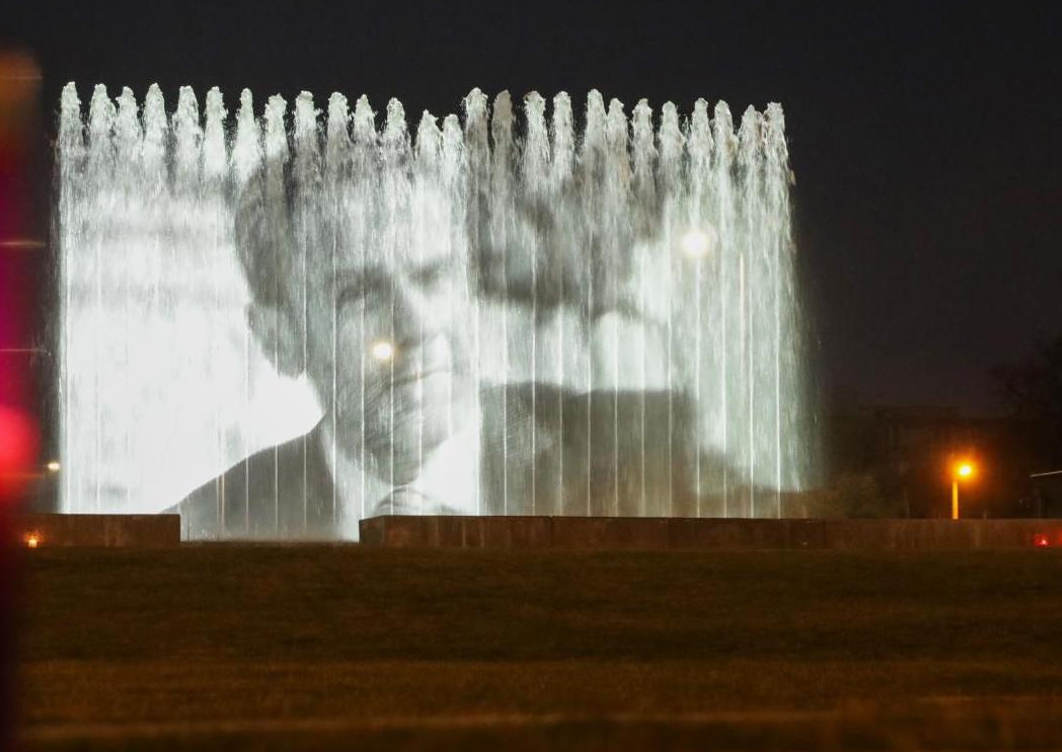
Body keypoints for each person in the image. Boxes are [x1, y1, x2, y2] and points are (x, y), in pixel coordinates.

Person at [172, 169, 734, 539]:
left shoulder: (645, 448)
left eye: (435, 276)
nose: (419, 326)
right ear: (279, 338)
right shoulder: (206, 525)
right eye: (360, 295)